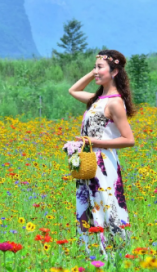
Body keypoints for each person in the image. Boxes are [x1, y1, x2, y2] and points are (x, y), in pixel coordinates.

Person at [68, 49, 136, 259]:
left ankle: (113, 257)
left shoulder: (115, 102)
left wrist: (94, 142)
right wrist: (93, 73)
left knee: (105, 206)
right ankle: (93, 255)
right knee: (89, 207)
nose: (95, 71)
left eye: (100, 68)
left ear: (114, 72)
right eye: (95, 67)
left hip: (103, 164)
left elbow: (128, 139)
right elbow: (73, 90)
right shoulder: (98, 99)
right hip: (88, 162)